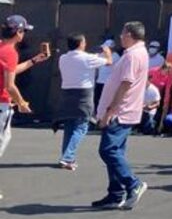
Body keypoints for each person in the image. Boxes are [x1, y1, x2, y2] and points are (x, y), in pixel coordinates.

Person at [92, 21, 151, 211]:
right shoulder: (135, 54)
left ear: (130, 35)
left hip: (121, 112)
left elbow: (126, 84)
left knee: (108, 150)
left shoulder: (133, 55)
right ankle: (115, 194)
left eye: (123, 33)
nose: (120, 37)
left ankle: (133, 184)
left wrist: (110, 111)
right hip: (124, 111)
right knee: (116, 152)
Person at [0, 14, 52, 201]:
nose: (24, 35)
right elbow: (10, 85)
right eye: (23, 31)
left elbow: (10, 71)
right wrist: (21, 103)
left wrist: (34, 60)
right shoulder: (9, 52)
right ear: (17, 32)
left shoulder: (2, 48)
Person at [55, 33, 112, 169]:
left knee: (70, 126)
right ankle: (68, 157)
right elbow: (109, 62)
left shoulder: (63, 58)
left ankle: (68, 158)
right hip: (83, 94)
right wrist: (107, 52)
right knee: (81, 126)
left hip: (66, 93)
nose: (86, 44)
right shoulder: (88, 58)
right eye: (84, 42)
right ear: (80, 44)